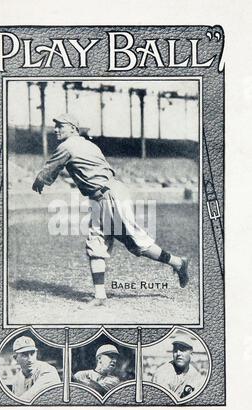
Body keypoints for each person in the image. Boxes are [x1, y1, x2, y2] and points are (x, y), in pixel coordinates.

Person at [32, 113, 189, 307]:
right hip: (104, 196)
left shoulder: (67, 145)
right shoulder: (89, 145)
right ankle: (100, 296)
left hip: (110, 195)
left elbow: (51, 167)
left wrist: (40, 179)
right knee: (97, 244)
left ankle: (178, 262)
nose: (55, 129)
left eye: (60, 125)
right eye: (55, 126)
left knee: (136, 243)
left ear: (73, 128)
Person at [11, 336, 61, 401]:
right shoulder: (17, 379)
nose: (30, 359)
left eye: (32, 353)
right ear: (15, 358)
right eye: (24, 354)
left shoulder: (48, 370)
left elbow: (31, 398)